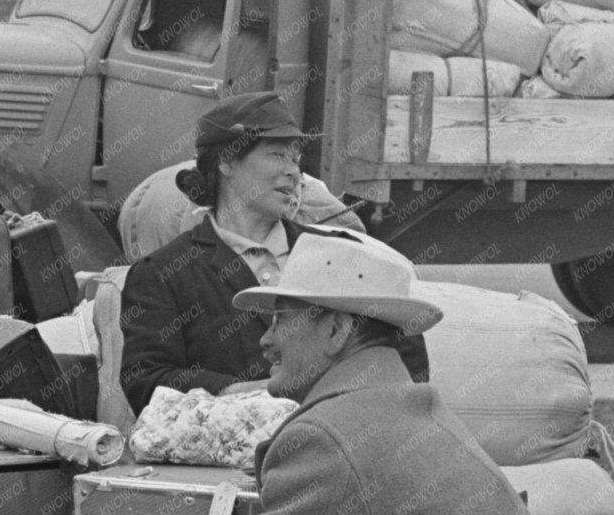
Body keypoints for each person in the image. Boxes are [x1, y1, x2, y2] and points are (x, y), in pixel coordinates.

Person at [91, 235, 594, 515]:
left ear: (337, 331)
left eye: (281, 320)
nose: (265, 340)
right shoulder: (404, 408)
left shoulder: (329, 438)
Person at [118, 91, 424, 414]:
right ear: (227, 161)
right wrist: (259, 395)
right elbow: (146, 384)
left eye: (296, 159)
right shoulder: (164, 274)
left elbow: (409, 358)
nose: (294, 172)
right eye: (278, 155)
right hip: (228, 460)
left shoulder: (337, 254)